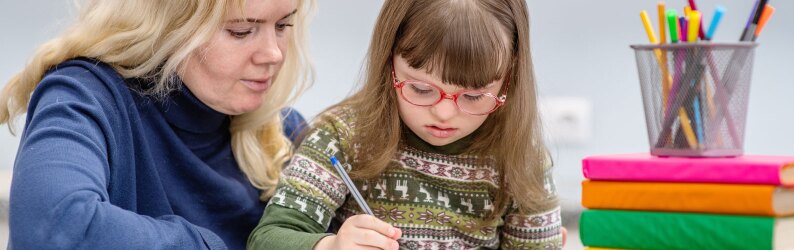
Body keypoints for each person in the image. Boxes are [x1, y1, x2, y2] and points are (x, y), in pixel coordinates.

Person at [248, 0, 566, 249]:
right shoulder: (342, 138)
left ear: (508, 80)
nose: (444, 113)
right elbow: (268, 238)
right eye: (421, 89)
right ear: (389, 64)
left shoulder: (523, 163)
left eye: (473, 96)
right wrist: (331, 245)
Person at [0, 0, 315, 249]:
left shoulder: (286, 132)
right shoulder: (85, 96)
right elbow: (51, 229)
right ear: (167, 26)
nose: (273, 54)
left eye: (284, 25)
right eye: (241, 31)